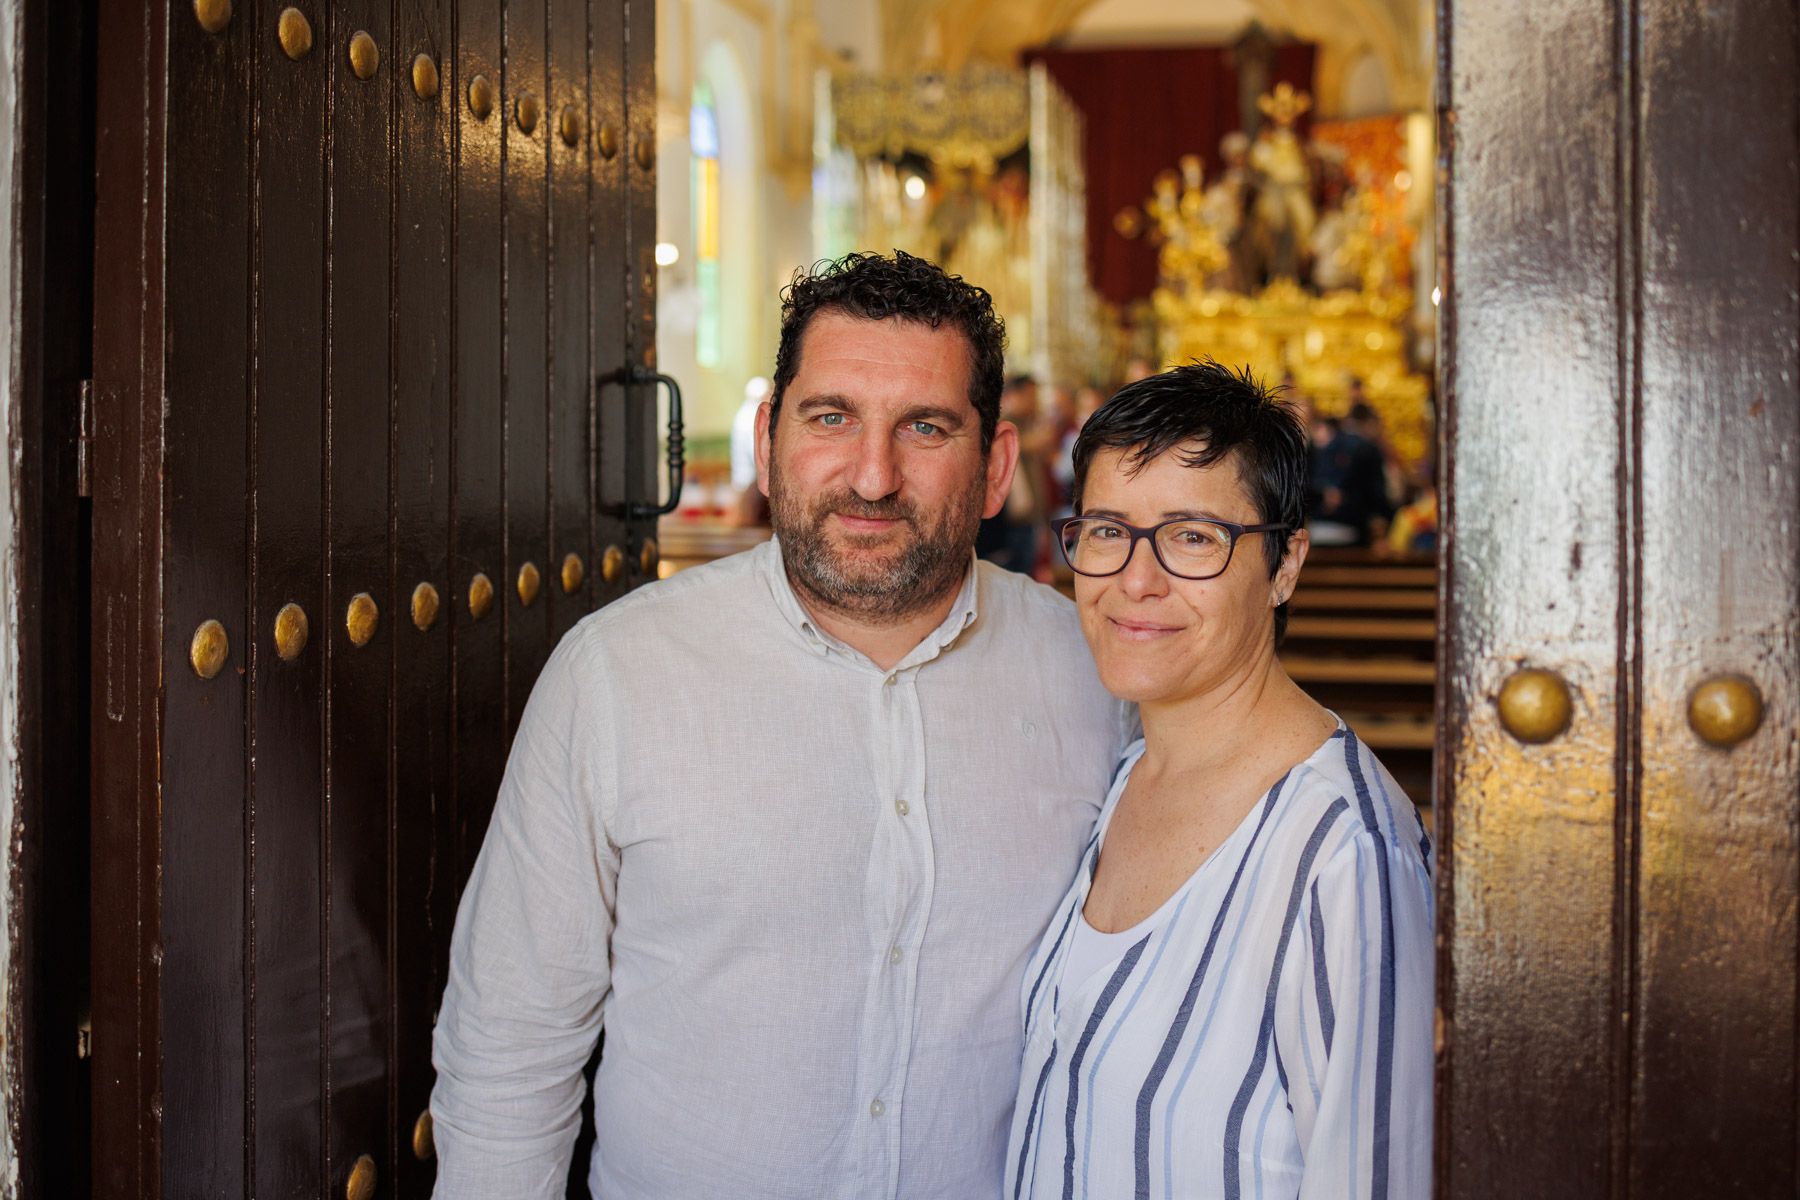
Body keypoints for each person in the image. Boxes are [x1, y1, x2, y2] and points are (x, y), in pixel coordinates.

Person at [430, 250, 1133, 1198]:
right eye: (831, 417)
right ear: (768, 440)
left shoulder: (1097, 678)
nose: (873, 476)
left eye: (924, 427)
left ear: (997, 463)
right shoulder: (619, 674)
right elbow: (511, 1041)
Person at [1008, 362, 1433, 1199]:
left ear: (1284, 565)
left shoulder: (1343, 853)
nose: (1136, 579)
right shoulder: (1125, 769)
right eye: (1105, 529)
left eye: (1193, 537)